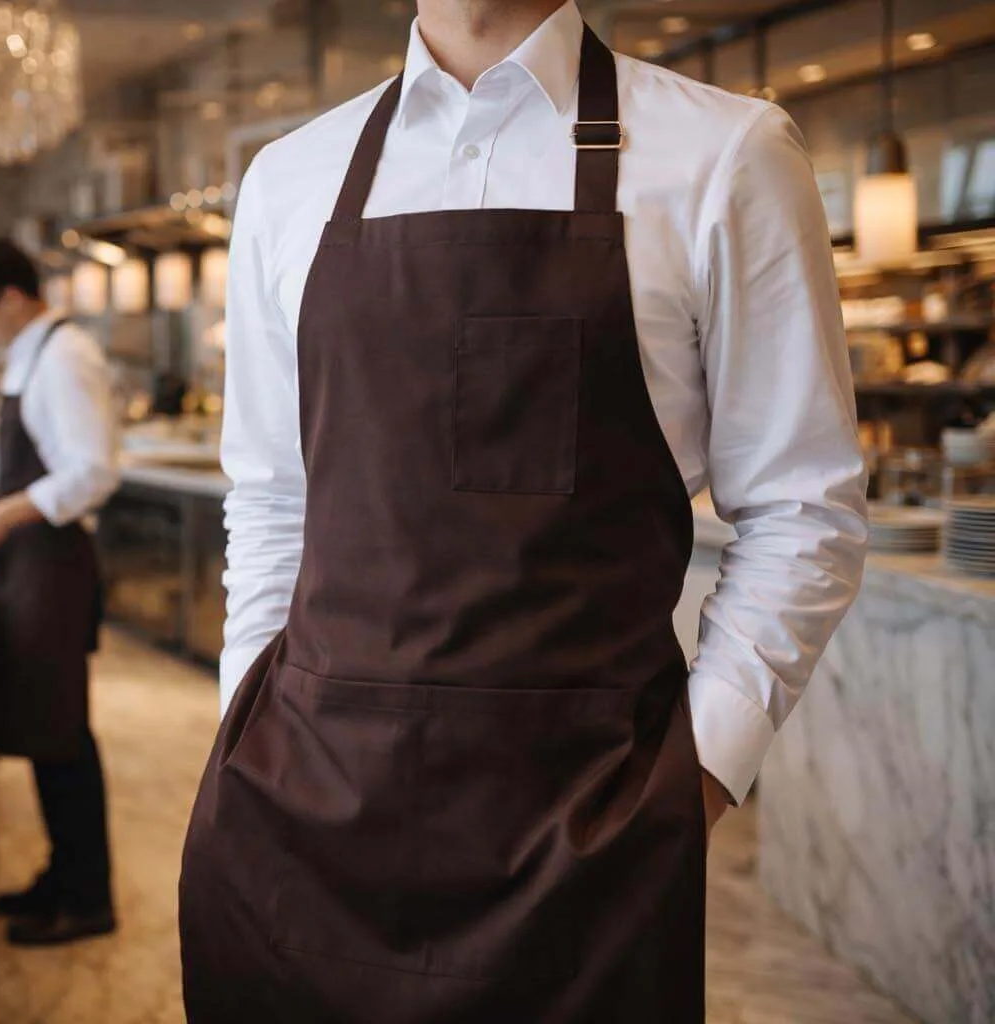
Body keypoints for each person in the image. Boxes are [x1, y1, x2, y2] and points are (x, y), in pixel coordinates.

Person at [178, 1, 869, 1020]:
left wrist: (699, 776)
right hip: (302, 814)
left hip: (584, 829)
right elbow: (277, 497)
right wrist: (245, 724)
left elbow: (804, 507)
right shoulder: (289, 177)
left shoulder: (729, 153)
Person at [0, 239, 121, 947]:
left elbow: (92, 471)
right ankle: (64, 876)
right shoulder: (32, 355)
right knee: (50, 732)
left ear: (13, 298)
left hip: (53, 564)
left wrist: (6, 512)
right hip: (32, 563)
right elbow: (41, 461)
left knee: (62, 737)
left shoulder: (64, 356)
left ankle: (87, 900)